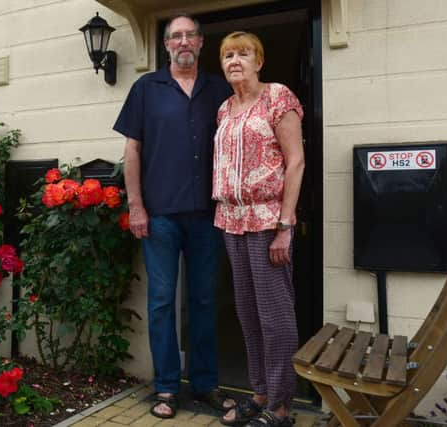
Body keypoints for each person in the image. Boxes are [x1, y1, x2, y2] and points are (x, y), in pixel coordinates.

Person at [113, 13, 234, 420]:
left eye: (190, 35)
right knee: (163, 302)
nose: (183, 41)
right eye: (175, 36)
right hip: (159, 214)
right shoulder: (146, 88)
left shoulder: (220, 89)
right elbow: (132, 151)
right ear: (166, 45)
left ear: (201, 42)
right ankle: (166, 386)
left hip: (207, 216)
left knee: (203, 301)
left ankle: (204, 384)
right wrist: (135, 205)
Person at [212, 32, 304, 427]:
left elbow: (295, 162)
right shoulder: (224, 109)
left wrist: (285, 225)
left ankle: (281, 407)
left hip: (268, 220)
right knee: (248, 314)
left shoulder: (278, 97)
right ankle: (261, 393)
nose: (235, 60)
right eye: (228, 55)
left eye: (243, 54)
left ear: (259, 61)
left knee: (274, 316)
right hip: (230, 220)